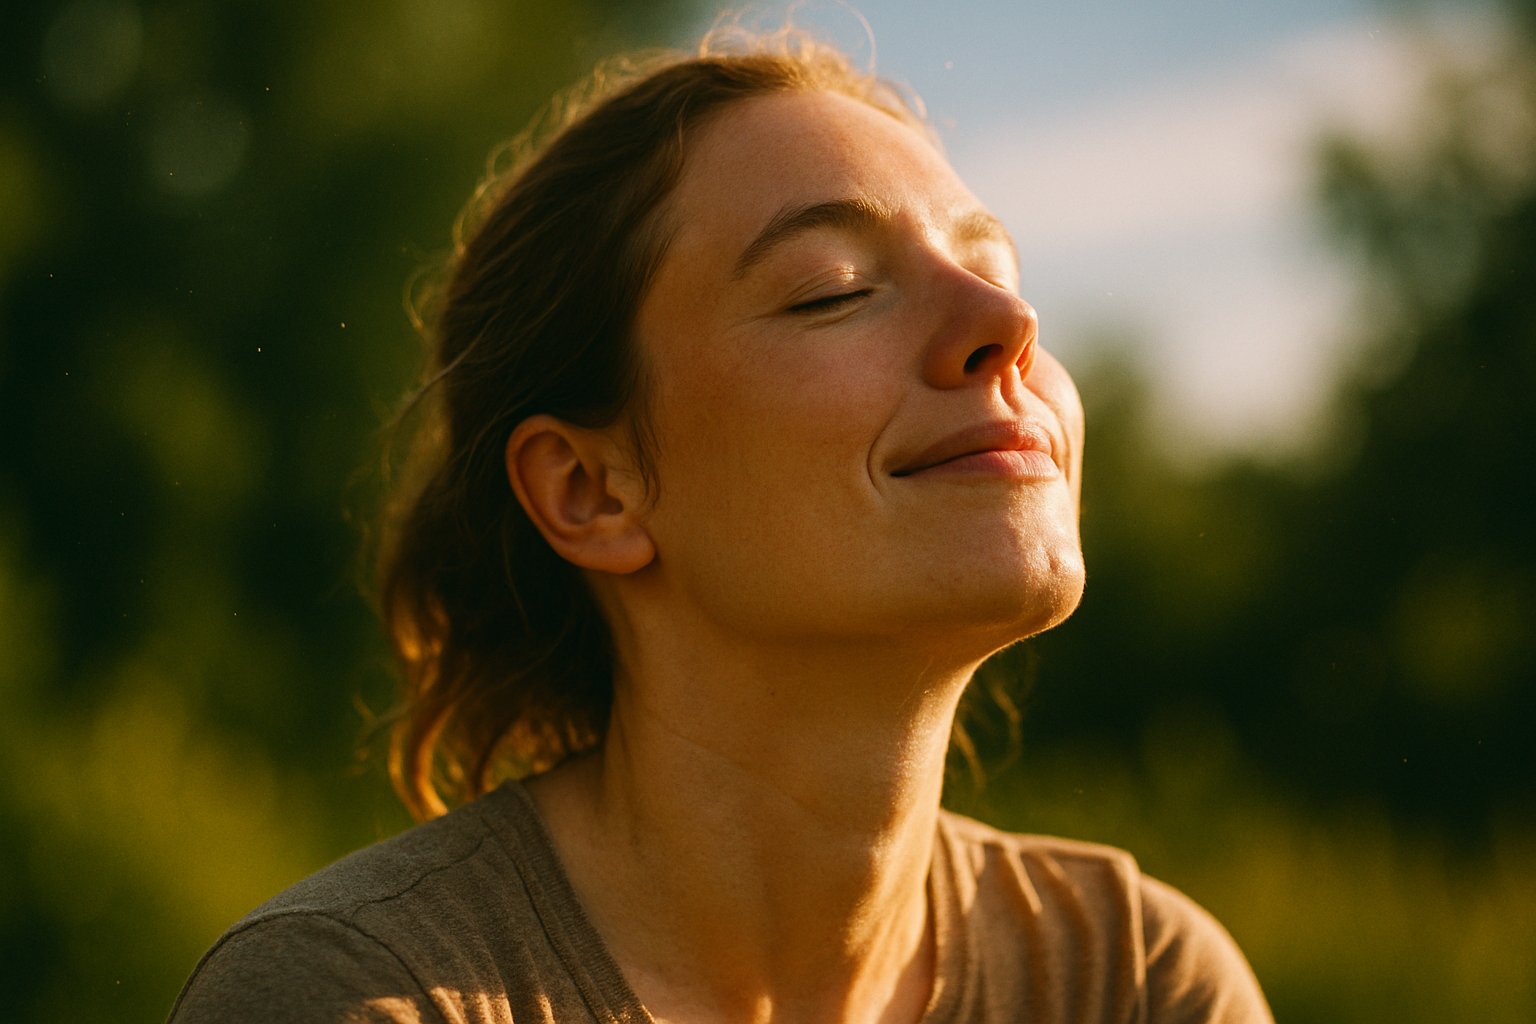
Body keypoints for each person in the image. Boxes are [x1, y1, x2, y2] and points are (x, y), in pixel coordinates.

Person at [169, 28, 1273, 1024]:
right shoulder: (355, 997)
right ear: (590, 491)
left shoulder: (1137, 982)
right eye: (833, 289)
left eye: (994, 270)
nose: (1010, 324)